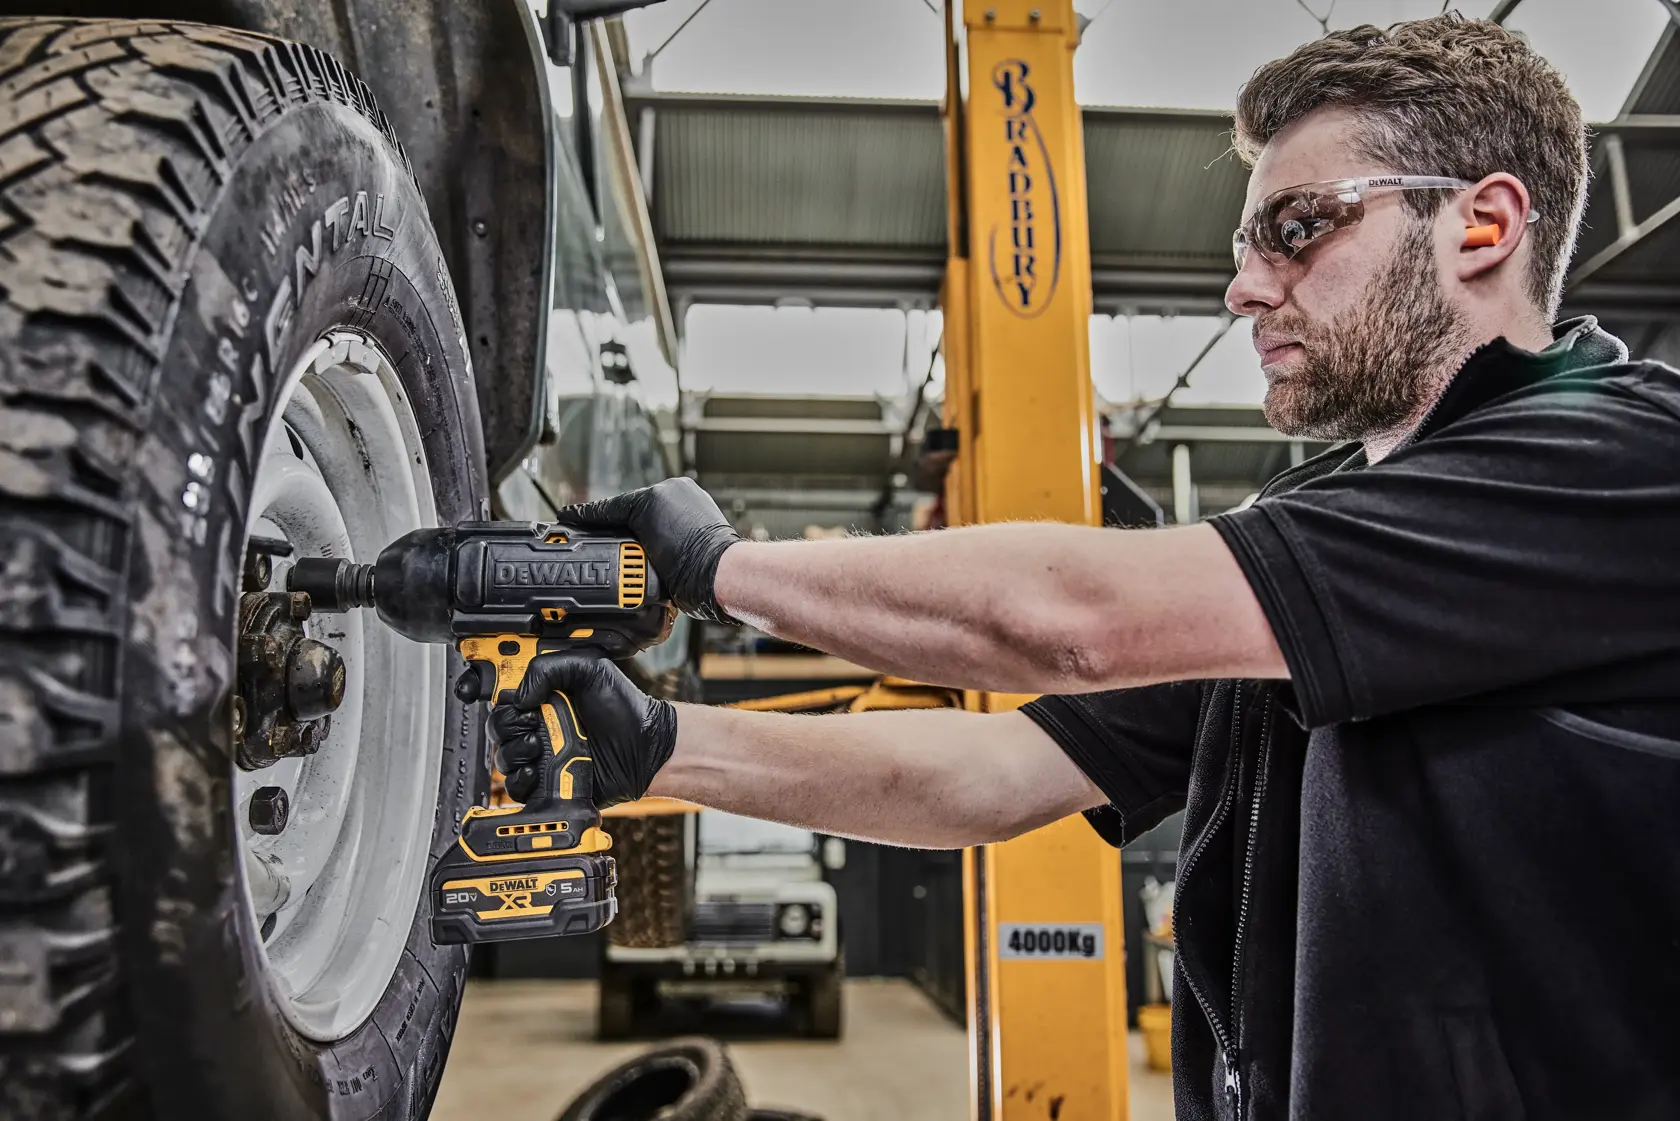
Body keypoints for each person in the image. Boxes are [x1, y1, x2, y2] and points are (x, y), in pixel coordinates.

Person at [482, 16, 1680, 1121]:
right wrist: (661, 743)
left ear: (1483, 223)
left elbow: (1070, 620)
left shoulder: (1620, 461)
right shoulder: (1322, 536)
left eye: (1300, 226)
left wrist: (715, 566)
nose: (1245, 283)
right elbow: (999, 770)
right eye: (1245, 240)